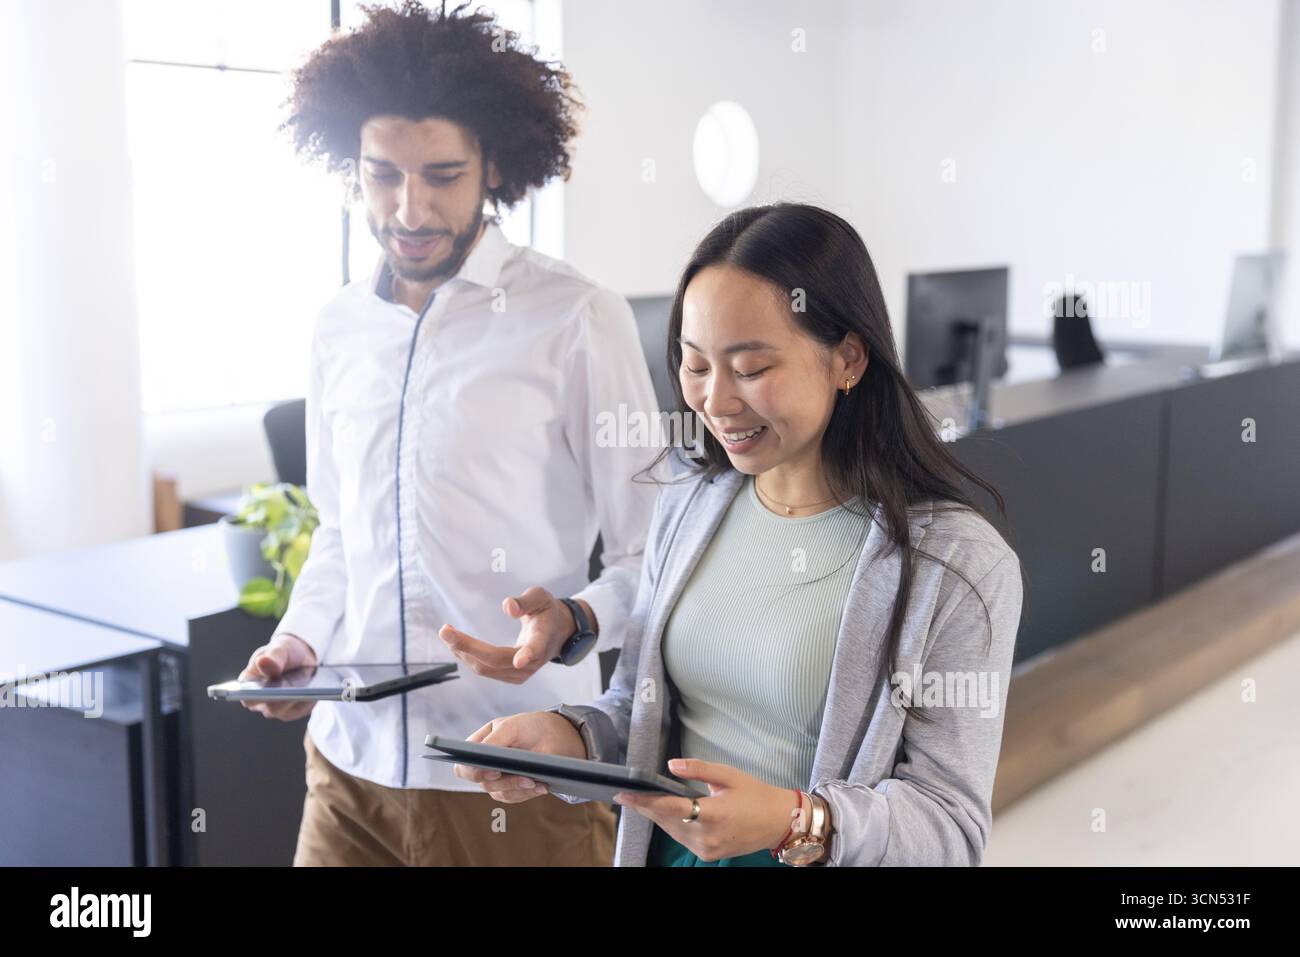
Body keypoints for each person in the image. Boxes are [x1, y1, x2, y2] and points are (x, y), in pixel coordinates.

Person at [449, 203, 1026, 866]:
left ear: (847, 358)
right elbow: (640, 710)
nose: (716, 402)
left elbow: (950, 829)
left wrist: (795, 821)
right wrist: (568, 739)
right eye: (695, 366)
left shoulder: (956, 562)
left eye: (750, 369)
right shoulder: (688, 502)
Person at [238, 1, 662, 866]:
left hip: (514, 774)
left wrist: (576, 619)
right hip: (348, 773)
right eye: (383, 175)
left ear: (492, 166)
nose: (410, 207)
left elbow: (652, 551)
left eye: (442, 174)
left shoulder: (576, 317)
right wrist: (298, 642)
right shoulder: (338, 328)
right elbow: (340, 533)